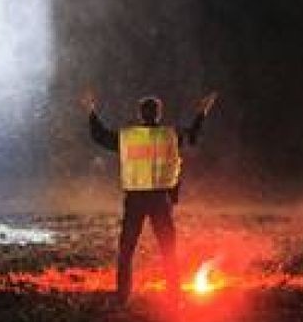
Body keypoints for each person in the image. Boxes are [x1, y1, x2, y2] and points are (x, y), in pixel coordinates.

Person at [82, 89, 218, 305]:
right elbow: (194, 135)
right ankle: (174, 297)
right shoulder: (170, 135)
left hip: (135, 199)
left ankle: (122, 297)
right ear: (159, 114)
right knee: (168, 249)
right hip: (160, 199)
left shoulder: (127, 137)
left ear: (140, 114)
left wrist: (90, 111)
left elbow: (100, 135)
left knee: (126, 250)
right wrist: (202, 112)